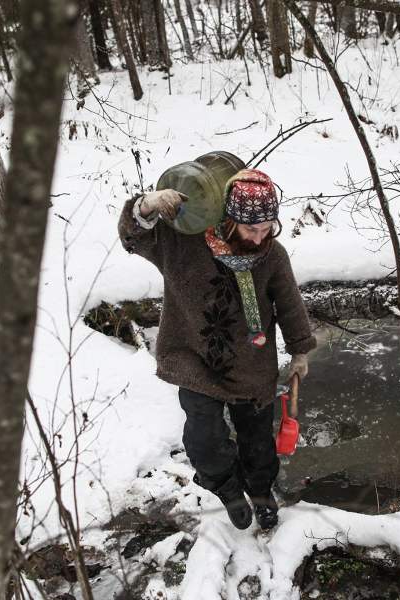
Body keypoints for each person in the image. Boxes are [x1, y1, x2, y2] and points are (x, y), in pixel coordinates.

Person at [117, 168, 316, 530]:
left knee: (257, 444)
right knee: (203, 441)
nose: (259, 238)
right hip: (193, 357)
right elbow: (133, 238)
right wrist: (145, 206)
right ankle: (227, 489)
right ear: (228, 220)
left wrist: (300, 350)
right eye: (250, 229)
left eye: (267, 228)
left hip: (251, 365)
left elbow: (289, 303)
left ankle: (259, 492)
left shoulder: (272, 256)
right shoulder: (181, 242)